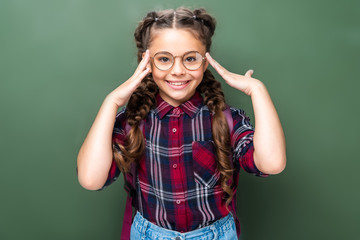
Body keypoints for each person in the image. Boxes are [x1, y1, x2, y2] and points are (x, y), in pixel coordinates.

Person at [77, 7, 286, 240]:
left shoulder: (225, 119)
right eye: (164, 59)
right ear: (146, 62)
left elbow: (272, 163)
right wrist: (112, 102)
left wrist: (257, 90)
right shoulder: (132, 121)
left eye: (190, 59)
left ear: (205, 62)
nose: (178, 71)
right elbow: (90, 179)